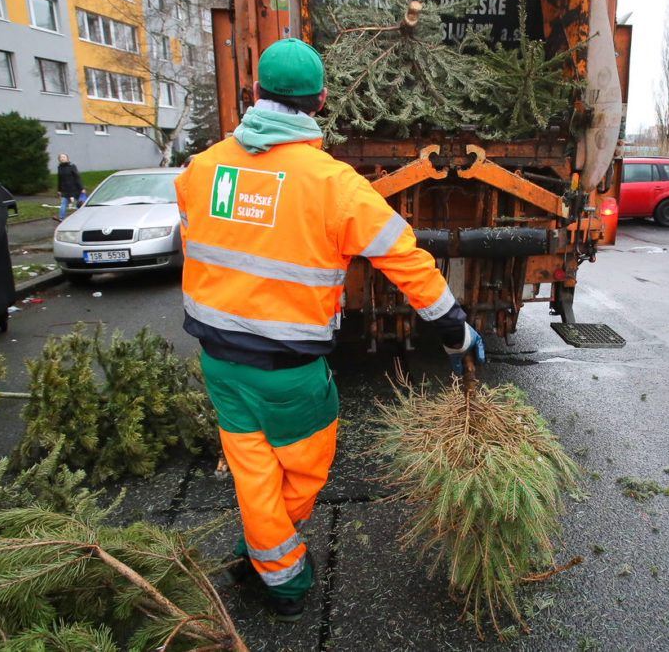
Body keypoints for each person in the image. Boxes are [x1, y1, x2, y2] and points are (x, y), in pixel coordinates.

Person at [173, 38, 484, 622]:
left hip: (217, 359)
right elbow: (405, 257)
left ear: (256, 95)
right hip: (286, 372)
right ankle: (284, 580)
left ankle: (258, 554)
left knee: (251, 464)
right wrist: (454, 329)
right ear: (318, 103)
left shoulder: (200, 169)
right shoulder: (332, 184)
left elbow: (199, 238)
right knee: (302, 473)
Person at [54, 153, 86, 221]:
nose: (62, 158)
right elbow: (59, 179)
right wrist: (59, 189)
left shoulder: (72, 166)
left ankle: (83, 215)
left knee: (80, 202)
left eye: (63, 157)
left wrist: (81, 188)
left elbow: (77, 177)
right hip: (65, 189)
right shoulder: (59, 167)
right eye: (60, 158)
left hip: (74, 187)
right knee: (64, 203)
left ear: (67, 158)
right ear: (59, 160)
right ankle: (61, 217)